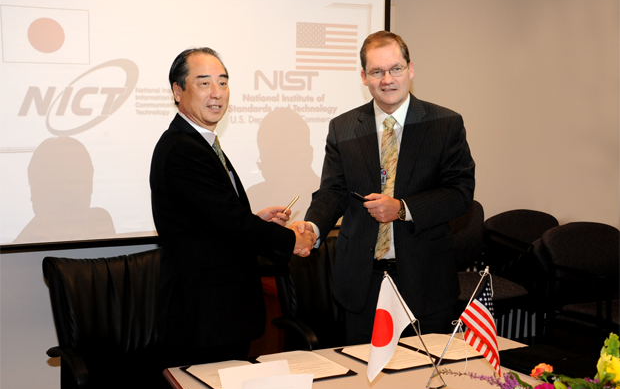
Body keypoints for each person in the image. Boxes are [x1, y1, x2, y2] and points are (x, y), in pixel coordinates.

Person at [301, 31, 475, 344]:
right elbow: (333, 192)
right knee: (362, 378)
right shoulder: (343, 128)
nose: (387, 79)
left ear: (410, 69)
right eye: (377, 72)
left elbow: (459, 194)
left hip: (425, 281)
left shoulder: (445, 124)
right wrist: (313, 227)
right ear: (364, 77)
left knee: (426, 378)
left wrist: (403, 208)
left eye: (395, 69)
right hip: (362, 283)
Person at [150, 47, 316, 366]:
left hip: (219, 313)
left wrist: (254, 219)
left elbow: (213, 220)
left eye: (223, 82)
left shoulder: (201, 142)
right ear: (177, 90)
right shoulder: (184, 149)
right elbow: (230, 223)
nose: (217, 93)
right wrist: (293, 240)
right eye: (204, 83)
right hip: (206, 315)